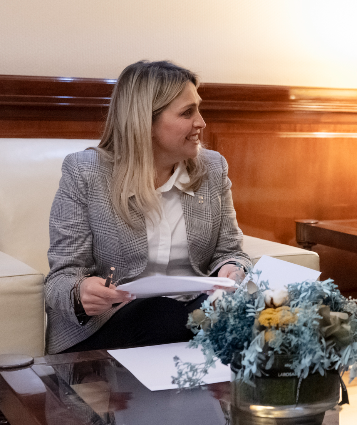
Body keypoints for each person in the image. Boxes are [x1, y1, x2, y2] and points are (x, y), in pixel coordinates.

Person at [46, 60, 251, 354]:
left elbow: (231, 251)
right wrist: (81, 292)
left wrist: (232, 269)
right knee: (161, 314)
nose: (201, 123)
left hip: (195, 315)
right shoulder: (85, 173)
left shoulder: (213, 168)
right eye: (187, 113)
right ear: (146, 121)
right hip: (108, 325)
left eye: (198, 109)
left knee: (268, 311)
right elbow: (62, 277)